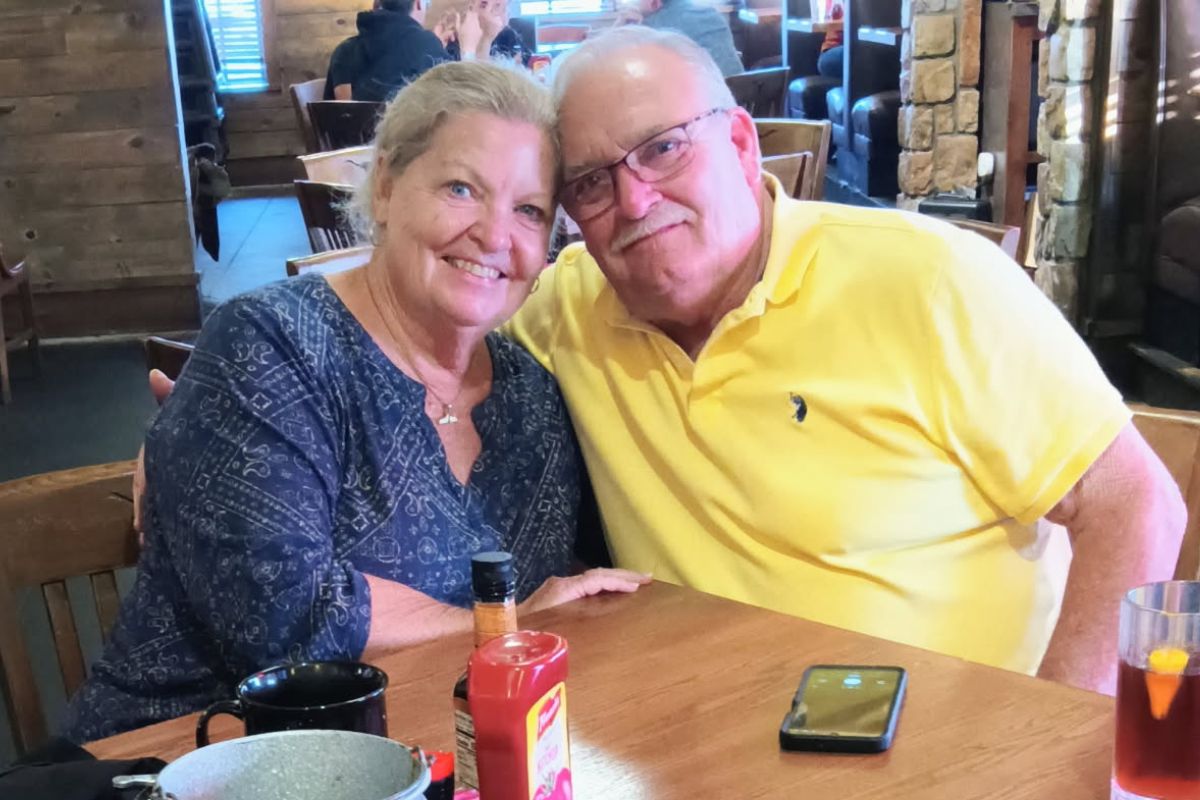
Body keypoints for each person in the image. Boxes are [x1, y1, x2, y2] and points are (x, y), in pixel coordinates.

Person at [501, 27, 1184, 694]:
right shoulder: (571, 306)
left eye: (665, 149)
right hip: (708, 737)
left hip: (965, 751)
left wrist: (1055, 745)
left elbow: (1137, 506)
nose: (634, 201)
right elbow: (427, 355)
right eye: (590, 184)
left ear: (740, 144)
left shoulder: (931, 281)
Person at [63, 62, 648, 744]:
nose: (495, 235)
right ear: (387, 189)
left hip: (425, 757)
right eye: (462, 188)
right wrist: (507, 623)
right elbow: (284, 624)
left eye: (528, 211)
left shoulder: (532, 395)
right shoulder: (269, 345)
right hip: (185, 754)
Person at [324, 0, 503, 102]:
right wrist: (469, 47)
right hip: (405, 156)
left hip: (350, 160)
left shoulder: (344, 50)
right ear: (418, 3)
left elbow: (346, 113)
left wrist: (432, 43)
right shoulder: (425, 46)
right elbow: (468, 104)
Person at [615, 0, 742, 77]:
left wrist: (619, 28)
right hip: (742, 107)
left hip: (691, 114)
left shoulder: (645, 29)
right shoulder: (711, 14)